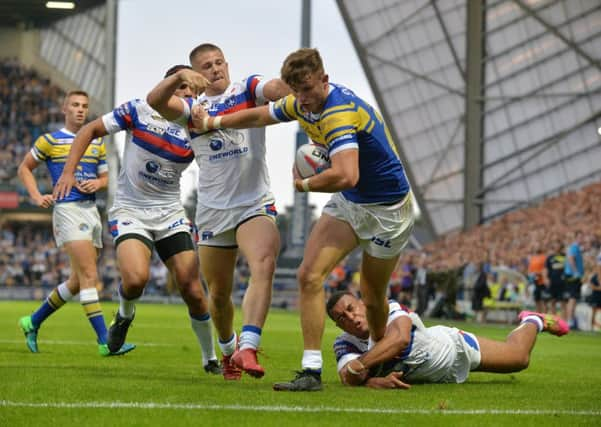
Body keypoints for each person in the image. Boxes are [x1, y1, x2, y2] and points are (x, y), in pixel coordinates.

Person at [190, 47, 415, 391]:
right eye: (298, 92)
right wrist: (213, 122)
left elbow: (346, 174)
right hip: (351, 202)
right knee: (309, 276)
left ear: (324, 80)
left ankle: (378, 359)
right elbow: (259, 116)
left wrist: (304, 184)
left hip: (387, 209)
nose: (304, 99)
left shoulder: (338, 112)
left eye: (309, 89)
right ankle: (311, 372)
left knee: (372, 295)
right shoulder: (300, 102)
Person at [53, 66, 221, 374]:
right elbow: (89, 131)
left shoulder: (197, 124)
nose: (189, 97)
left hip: (170, 213)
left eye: (194, 93)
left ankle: (210, 358)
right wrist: (68, 171)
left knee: (193, 289)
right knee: (135, 280)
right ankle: (124, 315)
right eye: (185, 89)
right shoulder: (138, 110)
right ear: (172, 87)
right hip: (131, 210)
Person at [146, 44, 291, 380]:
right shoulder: (190, 109)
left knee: (263, 264)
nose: (215, 69)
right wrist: (180, 77)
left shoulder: (248, 88)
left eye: (218, 63)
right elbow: (155, 101)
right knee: (220, 293)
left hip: (254, 202)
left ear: (227, 64)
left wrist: (290, 89)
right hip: (213, 211)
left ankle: (249, 345)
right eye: (205, 66)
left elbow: (275, 89)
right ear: (197, 73)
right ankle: (229, 350)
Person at [17, 90, 135, 357]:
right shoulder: (50, 140)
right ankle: (106, 341)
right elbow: (24, 168)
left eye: (84, 106)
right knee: (90, 277)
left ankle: (32, 322)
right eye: (75, 105)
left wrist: (99, 183)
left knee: (75, 281)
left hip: (92, 211)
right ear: (65, 109)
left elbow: (105, 177)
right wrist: (36, 196)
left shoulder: (97, 141)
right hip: (68, 210)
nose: (80, 110)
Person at [326, 291, 569, 389]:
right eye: (342, 318)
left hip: (453, 347)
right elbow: (347, 377)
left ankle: (532, 320)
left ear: (360, 302)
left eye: (351, 308)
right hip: (436, 376)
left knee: (519, 358)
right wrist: (372, 382)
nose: (351, 317)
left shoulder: (389, 308)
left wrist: (361, 367)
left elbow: (399, 339)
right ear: (338, 325)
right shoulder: (344, 343)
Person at [564, 231, 585, 330]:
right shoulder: (574, 247)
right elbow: (571, 259)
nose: (582, 239)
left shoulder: (577, 248)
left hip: (573, 276)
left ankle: (570, 320)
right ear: (576, 237)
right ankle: (570, 321)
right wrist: (576, 272)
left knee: (573, 298)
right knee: (572, 298)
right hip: (573, 276)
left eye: (582, 237)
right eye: (580, 237)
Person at [544, 240, 566, 318]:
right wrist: (546, 278)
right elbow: (546, 269)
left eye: (558, 245)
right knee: (552, 301)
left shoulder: (565, 256)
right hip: (552, 282)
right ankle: (554, 321)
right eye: (555, 245)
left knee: (563, 302)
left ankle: (564, 321)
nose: (557, 247)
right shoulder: (550, 257)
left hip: (563, 282)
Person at [588, 252, 601, 331]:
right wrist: (598, 288)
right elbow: (591, 286)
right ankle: (591, 327)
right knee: (594, 311)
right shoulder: (594, 277)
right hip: (595, 296)